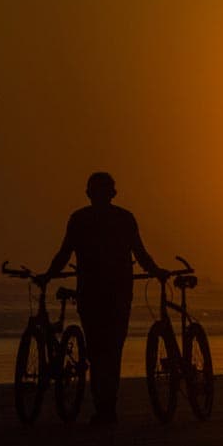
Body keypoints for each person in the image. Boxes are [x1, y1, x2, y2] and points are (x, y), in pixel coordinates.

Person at [38, 172, 166, 426]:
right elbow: (140, 254)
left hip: (93, 293)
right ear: (113, 194)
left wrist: (48, 276)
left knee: (98, 351)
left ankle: (104, 407)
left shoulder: (79, 219)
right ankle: (108, 406)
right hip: (118, 293)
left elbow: (64, 254)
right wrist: (157, 272)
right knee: (112, 350)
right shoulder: (123, 218)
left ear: (89, 194)